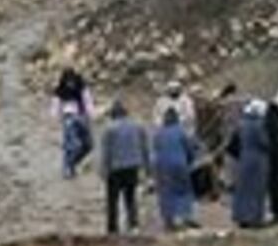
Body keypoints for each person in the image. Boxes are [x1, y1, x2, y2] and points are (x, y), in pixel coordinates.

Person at [100, 99, 150, 235]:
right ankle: (133, 225)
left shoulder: (109, 129)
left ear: (113, 114)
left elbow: (106, 152)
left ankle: (112, 228)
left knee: (112, 201)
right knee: (131, 198)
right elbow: (145, 147)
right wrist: (147, 168)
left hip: (115, 169)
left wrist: (103, 171)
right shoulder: (138, 126)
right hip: (132, 167)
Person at [152, 107, 199, 231]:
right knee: (184, 190)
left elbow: (155, 149)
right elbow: (189, 149)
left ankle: (169, 220)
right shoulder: (181, 131)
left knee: (165, 192)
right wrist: (191, 160)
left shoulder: (159, 133)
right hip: (179, 164)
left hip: (162, 166)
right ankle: (186, 217)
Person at [228, 99, 270, 228]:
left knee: (243, 190)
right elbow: (264, 142)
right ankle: (254, 218)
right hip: (257, 160)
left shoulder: (242, 124)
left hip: (244, 158)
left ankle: (241, 216)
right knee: (256, 190)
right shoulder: (258, 125)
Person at [52, 67, 94, 178]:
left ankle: (72, 164)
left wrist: (90, 115)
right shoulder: (60, 90)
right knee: (71, 145)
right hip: (69, 118)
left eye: (71, 80)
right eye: (68, 81)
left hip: (82, 116)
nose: (70, 83)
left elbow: (88, 101)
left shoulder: (82, 87)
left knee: (88, 145)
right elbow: (55, 106)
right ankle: (67, 168)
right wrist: (58, 118)